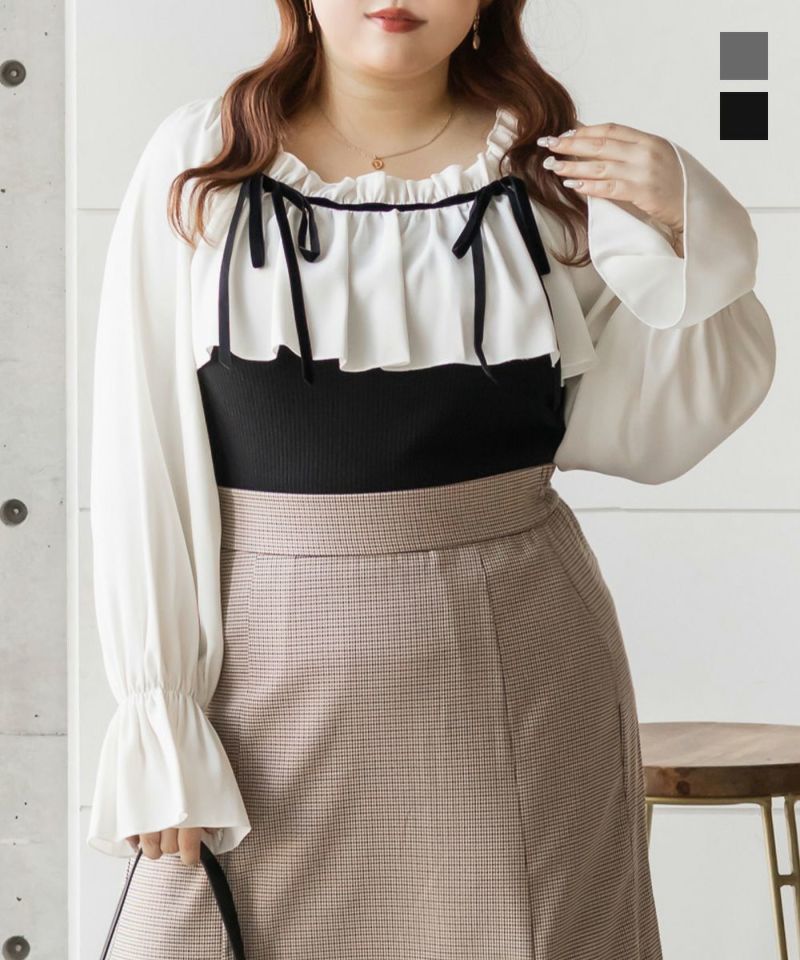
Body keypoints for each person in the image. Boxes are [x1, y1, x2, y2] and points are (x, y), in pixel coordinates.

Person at [85, 0, 776, 957]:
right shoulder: (204, 162)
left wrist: (686, 220)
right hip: (258, 693)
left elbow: (659, 426)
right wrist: (158, 718)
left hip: (523, 679)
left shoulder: (553, 178)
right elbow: (142, 453)